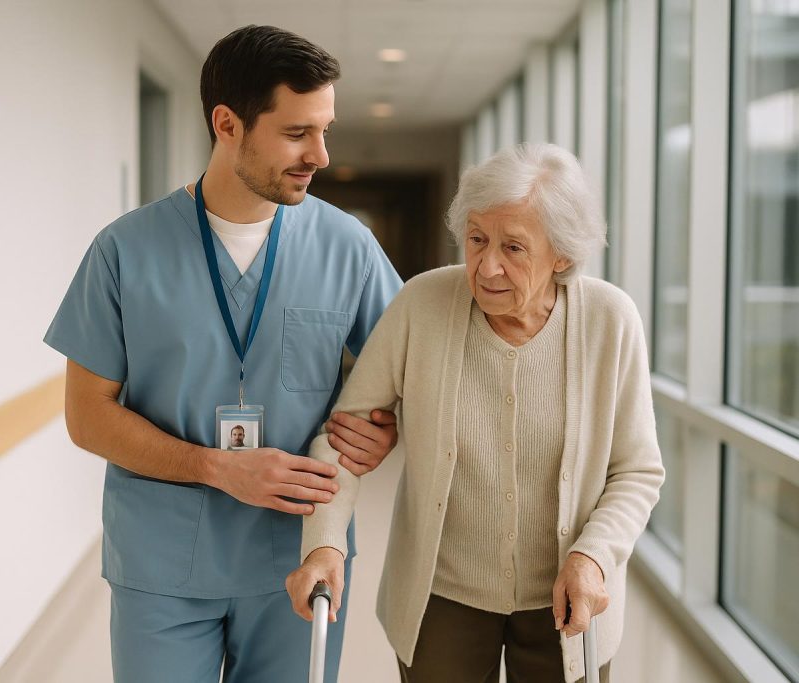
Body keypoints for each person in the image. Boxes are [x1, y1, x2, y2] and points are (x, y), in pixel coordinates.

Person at [44, 25, 403, 683]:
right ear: (228, 123)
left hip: (298, 556)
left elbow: (409, 377)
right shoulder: (123, 252)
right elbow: (86, 416)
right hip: (162, 564)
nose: (320, 154)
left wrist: (383, 428)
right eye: (297, 133)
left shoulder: (347, 247)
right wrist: (216, 467)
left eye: (325, 130)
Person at [286, 143, 665, 683]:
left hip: (568, 594)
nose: (487, 266)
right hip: (442, 595)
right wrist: (323, 546)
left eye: (514, 247)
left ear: (561, 253)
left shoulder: (610, 320)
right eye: (477, 239)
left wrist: (595, 556)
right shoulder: (423, 304)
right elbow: (342, 441)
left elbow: (636, 470)